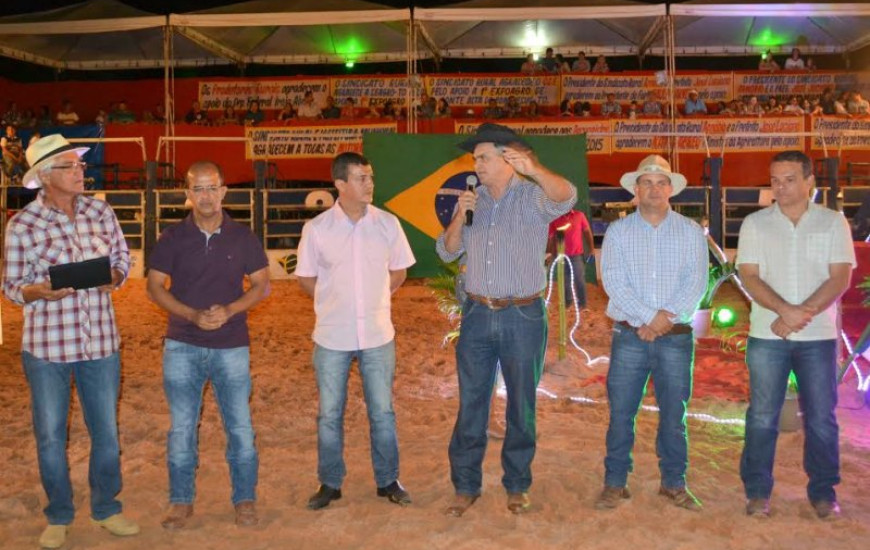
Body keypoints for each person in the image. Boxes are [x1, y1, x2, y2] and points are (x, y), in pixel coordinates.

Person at [2, 134, 138, 549]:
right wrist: (40, 291)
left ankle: (106, 507)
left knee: (106, 432)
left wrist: (114, 276)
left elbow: (122, 259)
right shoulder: (22, 225)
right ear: (45, 176)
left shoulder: (101, 211)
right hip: (47, 348)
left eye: (80, 164)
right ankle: (59, 513)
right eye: (71, 166)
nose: (81, 171)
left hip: (101, 342)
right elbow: (11, 287)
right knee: (50, 436)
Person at [436, 123, 576, 517]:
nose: (476, 164)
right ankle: (466, 486)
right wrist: (459, 217)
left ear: (508, 160)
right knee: (472, 404)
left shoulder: (533, 196)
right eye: (475, 158)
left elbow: (567, 196)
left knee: (521, 405)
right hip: (477, 314)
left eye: (483, 157)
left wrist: (535, 169)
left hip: (523, 315)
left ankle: (517, 484)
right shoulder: (473, 200)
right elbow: (446, 252)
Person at [146, 161, 270, 529]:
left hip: (232, 345)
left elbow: (261, 284)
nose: (206, 196)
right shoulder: (172, 238)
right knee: (181, 428)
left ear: (224, 191)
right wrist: (191, 315)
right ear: (188, 194)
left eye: (212, 187)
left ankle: (244, 499)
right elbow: (154, 287)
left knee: (240, 427)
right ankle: (180, 501)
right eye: (198, 189)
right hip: (182, 344)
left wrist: (230, 310)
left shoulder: (243, 237)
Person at [737, 150, 855, 519]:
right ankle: (757, 491)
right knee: (761, 416)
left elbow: (840, 277)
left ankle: (823, 492)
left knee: (821, 417)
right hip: (767, 335)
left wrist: (800, 313)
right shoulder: (755, 224)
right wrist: (785, 311)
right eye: (775, 180)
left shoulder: (833, 223)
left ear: (809, 182)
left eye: (789, 179)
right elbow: (749, 276)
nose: (780, 187)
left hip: (817, 337)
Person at [296, 152, 415, 511]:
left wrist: (375, 299)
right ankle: (330, 483)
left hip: (378, 334)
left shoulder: (388, 224)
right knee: (329, 415)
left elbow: (400, 271)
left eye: (371, 177)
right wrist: (335, 302)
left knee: (383, 412)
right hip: (331, 336)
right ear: (341, 185)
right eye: (362, 178)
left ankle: (388, 480)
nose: (370, 184)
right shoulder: (317, 229)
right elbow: (305, 278)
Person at [596, 154, 707, 512]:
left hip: (674, 336)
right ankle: (615, 482)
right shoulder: (618, 232)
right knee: (621, 413)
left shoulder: (691, 232)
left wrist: (661, 320)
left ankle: (674, 482)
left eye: (661, 183)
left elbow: (697, 281)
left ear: (670, 189)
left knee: (674, 415)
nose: (654, 189)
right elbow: (613, 281)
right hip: (631, 334)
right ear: (637, 189)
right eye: (647, 182)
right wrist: (651, 319)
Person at [548, 208, 594, 308]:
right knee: (565, 280)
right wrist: (552, 254)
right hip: (561, 256)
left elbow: (587, 232)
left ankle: (582, 304)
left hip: (576, 255)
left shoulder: (579, 215)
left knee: (579, 279)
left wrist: (591, 249)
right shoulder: (554, 218)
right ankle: (568, 303)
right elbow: (551, 238)